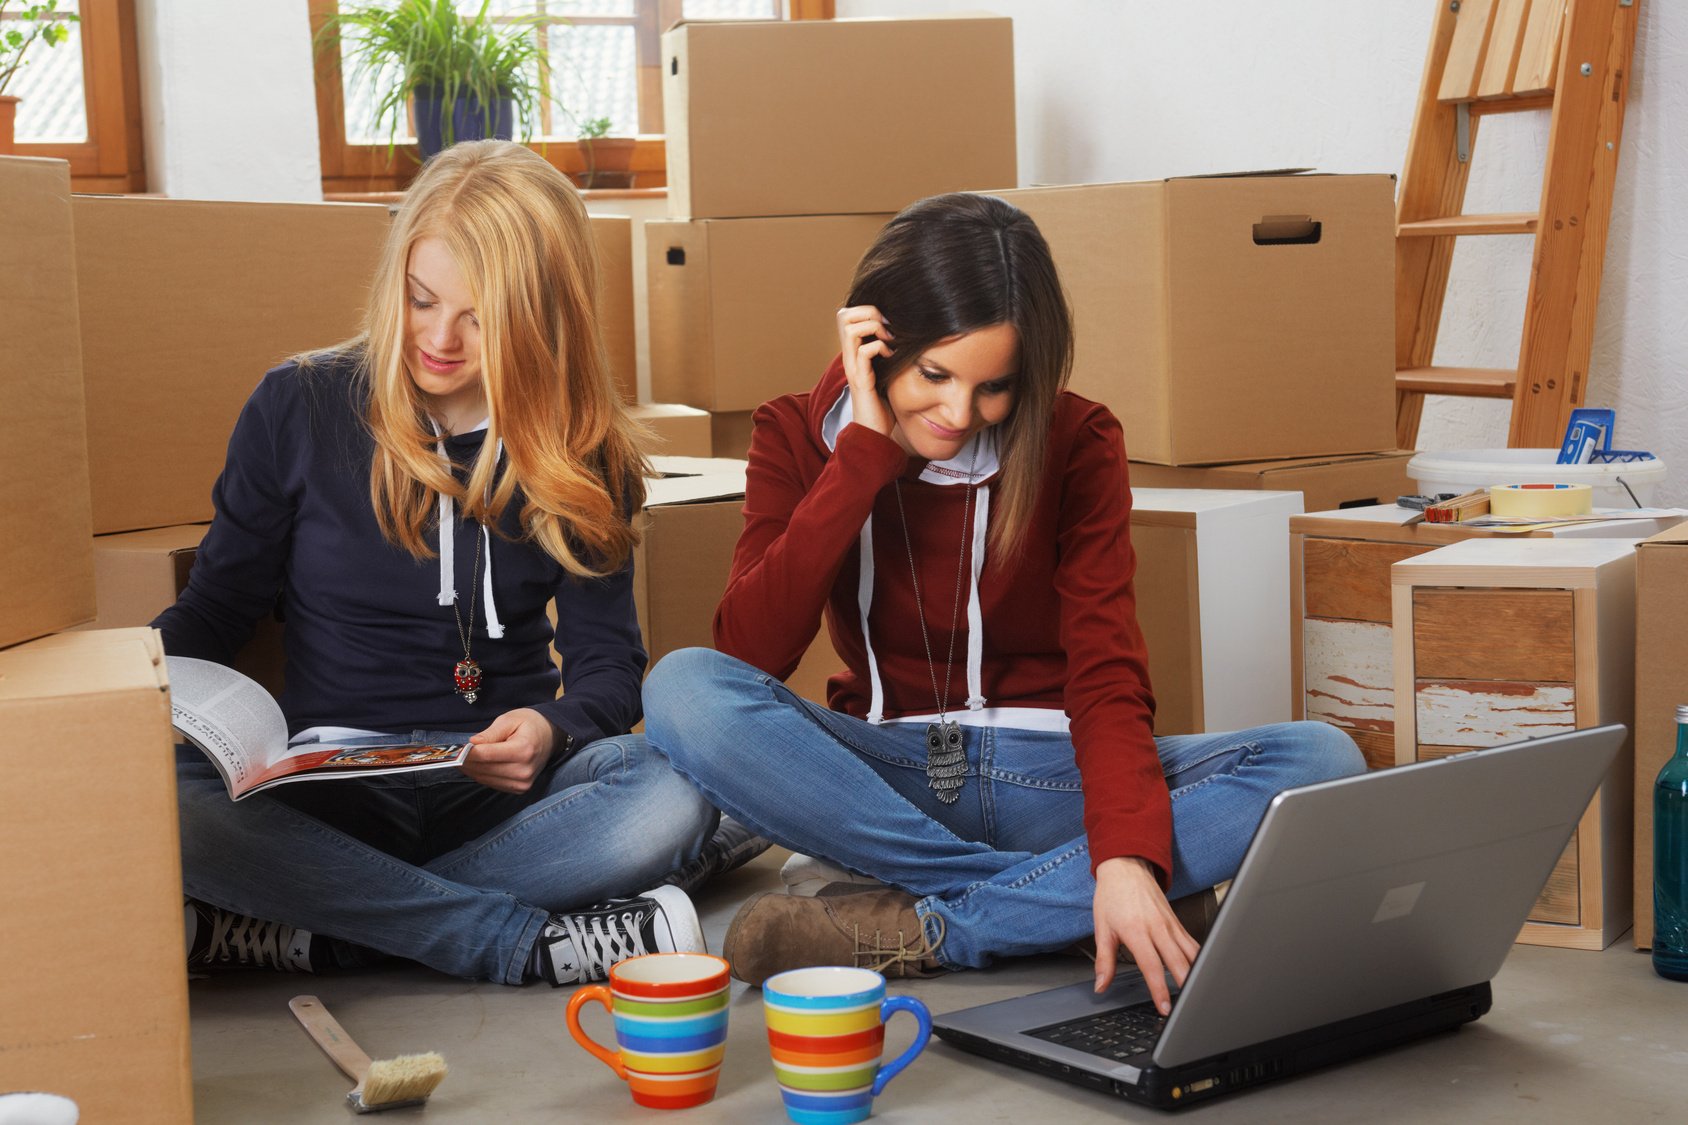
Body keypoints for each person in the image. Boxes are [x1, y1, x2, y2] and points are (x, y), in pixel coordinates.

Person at [642, 192, 1366, 1013]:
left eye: (995, 386)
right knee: (681, 686)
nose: (959, 413)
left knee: (1320, 758)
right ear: (877, 342)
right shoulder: (794, 434)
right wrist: (861, 459)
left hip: (1047, 779)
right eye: (934, 374)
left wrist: (1125, 854)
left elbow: (1106, 672)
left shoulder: (1078, 440)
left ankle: (942, 927)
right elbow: (748, 655)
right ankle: (1060, 908)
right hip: (886, 781)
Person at [157, 140, 723, 987]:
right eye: (422, 301)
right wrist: (119, 697)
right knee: (165, 799)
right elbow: (217, 608)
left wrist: (551, 727)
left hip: (501, 795)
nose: (439, 340)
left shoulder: (581, 448)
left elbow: (610, 667)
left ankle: (332, 929)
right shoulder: (299, 403)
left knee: (674, 789)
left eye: (479, 317)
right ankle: (502, 937)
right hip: (330, 793)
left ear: (542, 315)